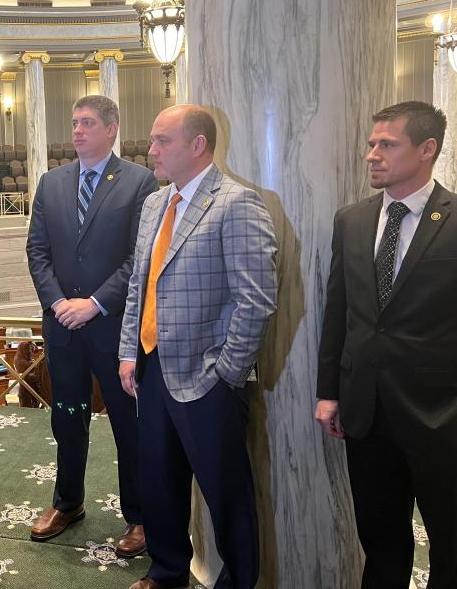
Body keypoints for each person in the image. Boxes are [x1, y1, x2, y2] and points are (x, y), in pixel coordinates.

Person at [315, 100, 457, 589]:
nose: (371, 155)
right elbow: (338, 313)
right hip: (366, 413)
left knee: (451, 544)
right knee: (379, 541)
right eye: (371, 143)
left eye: (386, 144)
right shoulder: (351, 220)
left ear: (427, 149)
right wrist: (329, 391)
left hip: (441, 415)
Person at [118, 105, 278, 589]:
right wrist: (129, 350)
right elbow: (139, 287)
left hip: (207, 378)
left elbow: (256, 300)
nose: (151, 150)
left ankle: (237, 581)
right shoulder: (154, 205)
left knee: (227, 495)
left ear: (198, 145)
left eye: (162, 140)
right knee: (160, 486)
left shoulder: (237, 204)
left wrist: (226, 372)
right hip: (152, 370)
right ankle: (167, 572)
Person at [26, 95, 156, 555]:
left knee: (127, 423)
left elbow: (137, 259)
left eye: (87, 123)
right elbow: (37, 251)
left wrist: (94, 304)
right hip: (62, 327)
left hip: (114, 327)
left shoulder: (140, 182)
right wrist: (60, 301)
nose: (77, 131)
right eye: (74, 122)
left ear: (111, 129)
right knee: (68, 416)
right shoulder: (50, 182)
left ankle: (139, 517)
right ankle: (68, 501)